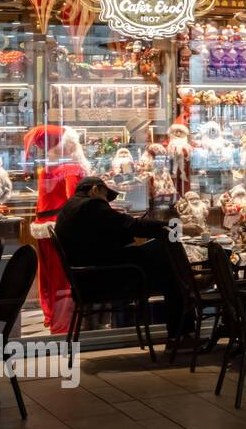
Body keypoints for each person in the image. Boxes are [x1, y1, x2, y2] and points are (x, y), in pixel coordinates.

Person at [54, 177, 187, 341]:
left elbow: (109, 232)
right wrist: (173, 226)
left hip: (89, 278)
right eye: (105, 198)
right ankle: (181, 335)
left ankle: (181, 334)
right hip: (105, 277)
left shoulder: (70, 208)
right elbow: (130, 225)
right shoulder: (91, 205)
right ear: (95, 190)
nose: (107, 204)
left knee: (167, 263)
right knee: (171, 265)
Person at [24, 125, 91, 334]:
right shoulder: (70, 169)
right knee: (64, 277)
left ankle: (52, 315)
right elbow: (75, 201)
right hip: (62, 228)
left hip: (46, 227)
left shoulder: (48, 169)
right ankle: (63, 322)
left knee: (49, 274)